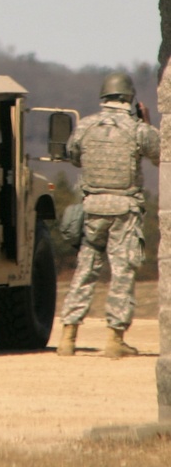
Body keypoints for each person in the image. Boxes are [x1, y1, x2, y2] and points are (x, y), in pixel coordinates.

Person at [56, 72, 159, 359]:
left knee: (85, 271)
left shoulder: (85, 126)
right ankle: (115, 340)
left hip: (92, 208)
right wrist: (146, 123)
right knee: (122, 272)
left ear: (104, 97)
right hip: (124, 210)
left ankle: (68, 336)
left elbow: (74, 156)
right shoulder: (136, 129)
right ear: (129, 98)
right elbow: (161, 153)